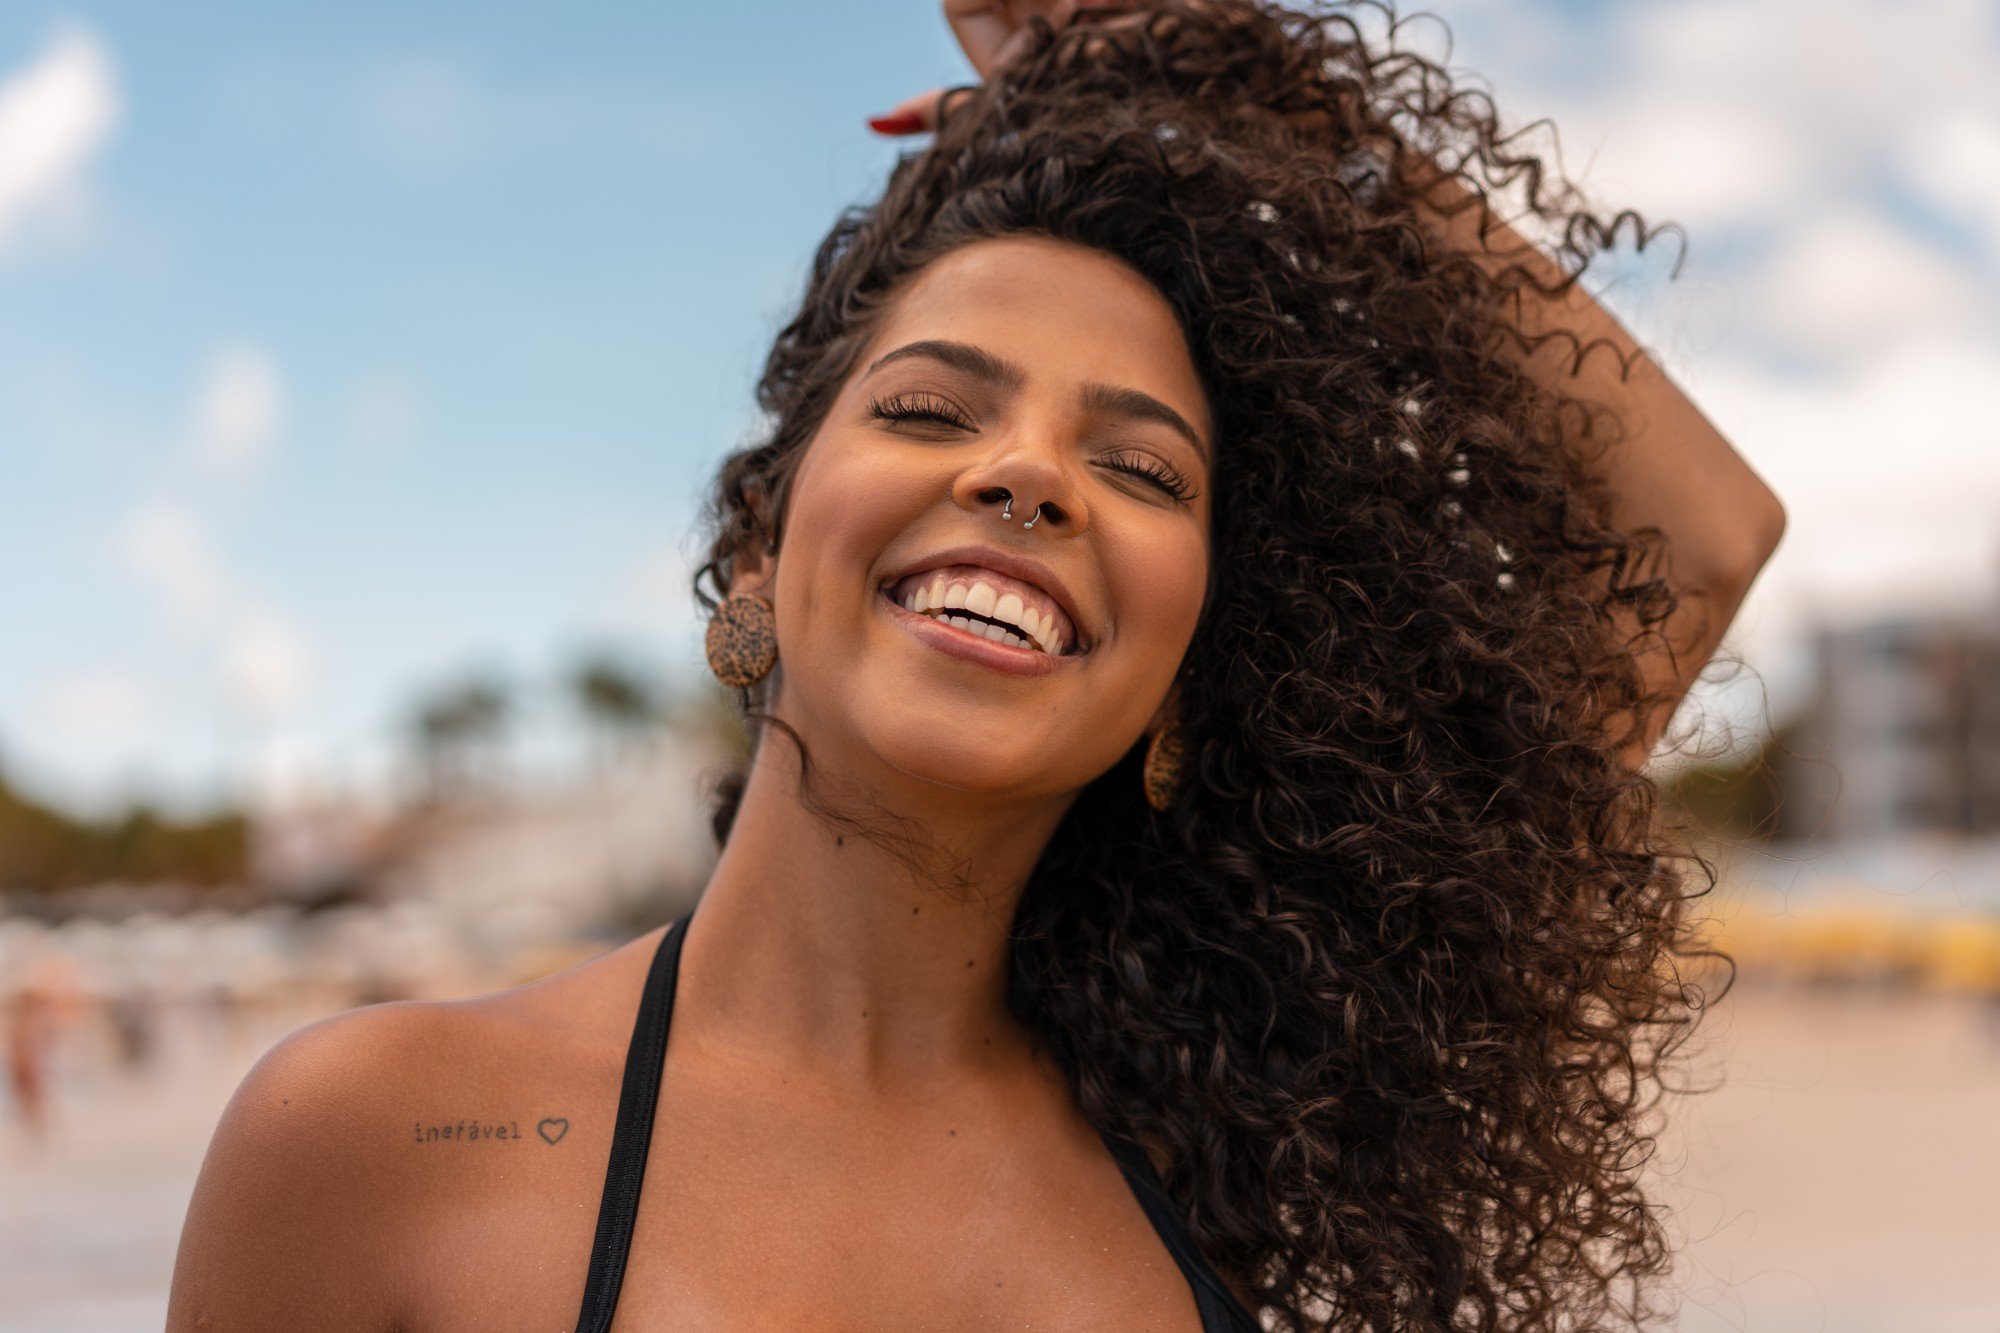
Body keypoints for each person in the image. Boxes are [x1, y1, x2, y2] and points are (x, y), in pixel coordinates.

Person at [166, 3, 1786, 1329]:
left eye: (1144, 470)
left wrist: (1248, 78)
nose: (1028, 475)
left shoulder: (1208, 1154)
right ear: (758, 550)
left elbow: (1699, 537)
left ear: (1189, 677)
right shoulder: (383, 1135)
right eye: (932, 407)